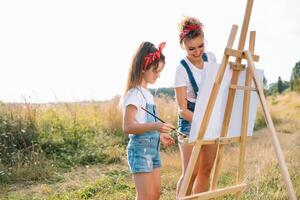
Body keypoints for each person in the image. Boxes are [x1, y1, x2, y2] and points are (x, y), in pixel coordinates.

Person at [122, 41, 175, 200]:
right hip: (140, 150)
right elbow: (128, 126)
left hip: (153, 150)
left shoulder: (148, 94)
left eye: (160, 71)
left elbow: (143, 122)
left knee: (155, 194)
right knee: (145, 196)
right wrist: (157, 126)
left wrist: (159, 135)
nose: (158, 75)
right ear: (143, 67)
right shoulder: (134, 94)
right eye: (156, 71)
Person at [173, 16, 218, 195]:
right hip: (190, 121)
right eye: (191, 48)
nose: (197, 52)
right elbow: (182, 110)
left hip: (210, 119)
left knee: (206, 170)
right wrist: (202, 120)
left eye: (201, 46)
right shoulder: (181, 70)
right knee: (191, 172)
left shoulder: (212, 58)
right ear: (183, 46)